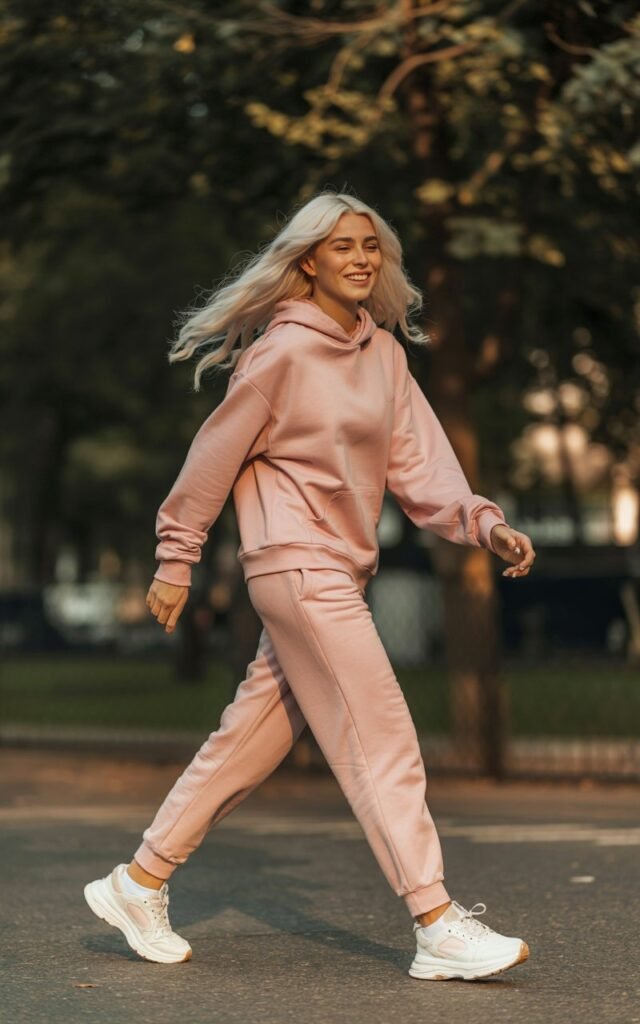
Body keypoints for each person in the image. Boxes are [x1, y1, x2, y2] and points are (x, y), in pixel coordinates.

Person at [84, 190, 536, 980]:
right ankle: (435, 921)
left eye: (372, 246)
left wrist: (481, 522)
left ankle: (139, 879)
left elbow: (421, 466)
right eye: (342, 247)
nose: (361, 259)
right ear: (308, 262)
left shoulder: (385, 357)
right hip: (293, 565)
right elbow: (211, 459)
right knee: (380, 733)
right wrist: (175, 558)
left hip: (336, 571)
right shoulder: (280, 354)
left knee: (248, 744)